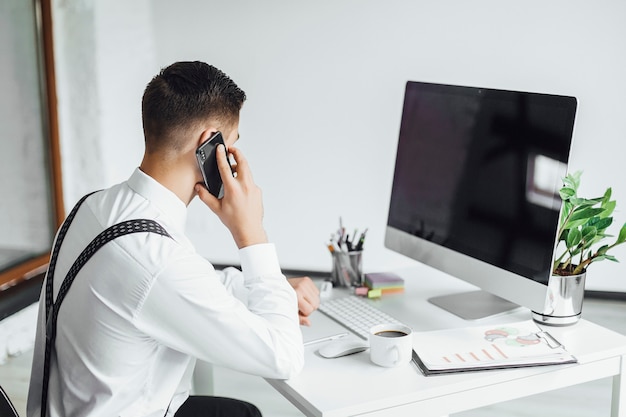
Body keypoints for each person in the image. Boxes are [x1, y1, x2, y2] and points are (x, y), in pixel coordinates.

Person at [27, 61, 320, 417]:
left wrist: (271, 288)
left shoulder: (94, 208)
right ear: (209, 145)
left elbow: (187, 282)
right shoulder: (156, 259)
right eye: (232, 147)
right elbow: (284, 357)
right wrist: (251, 233)